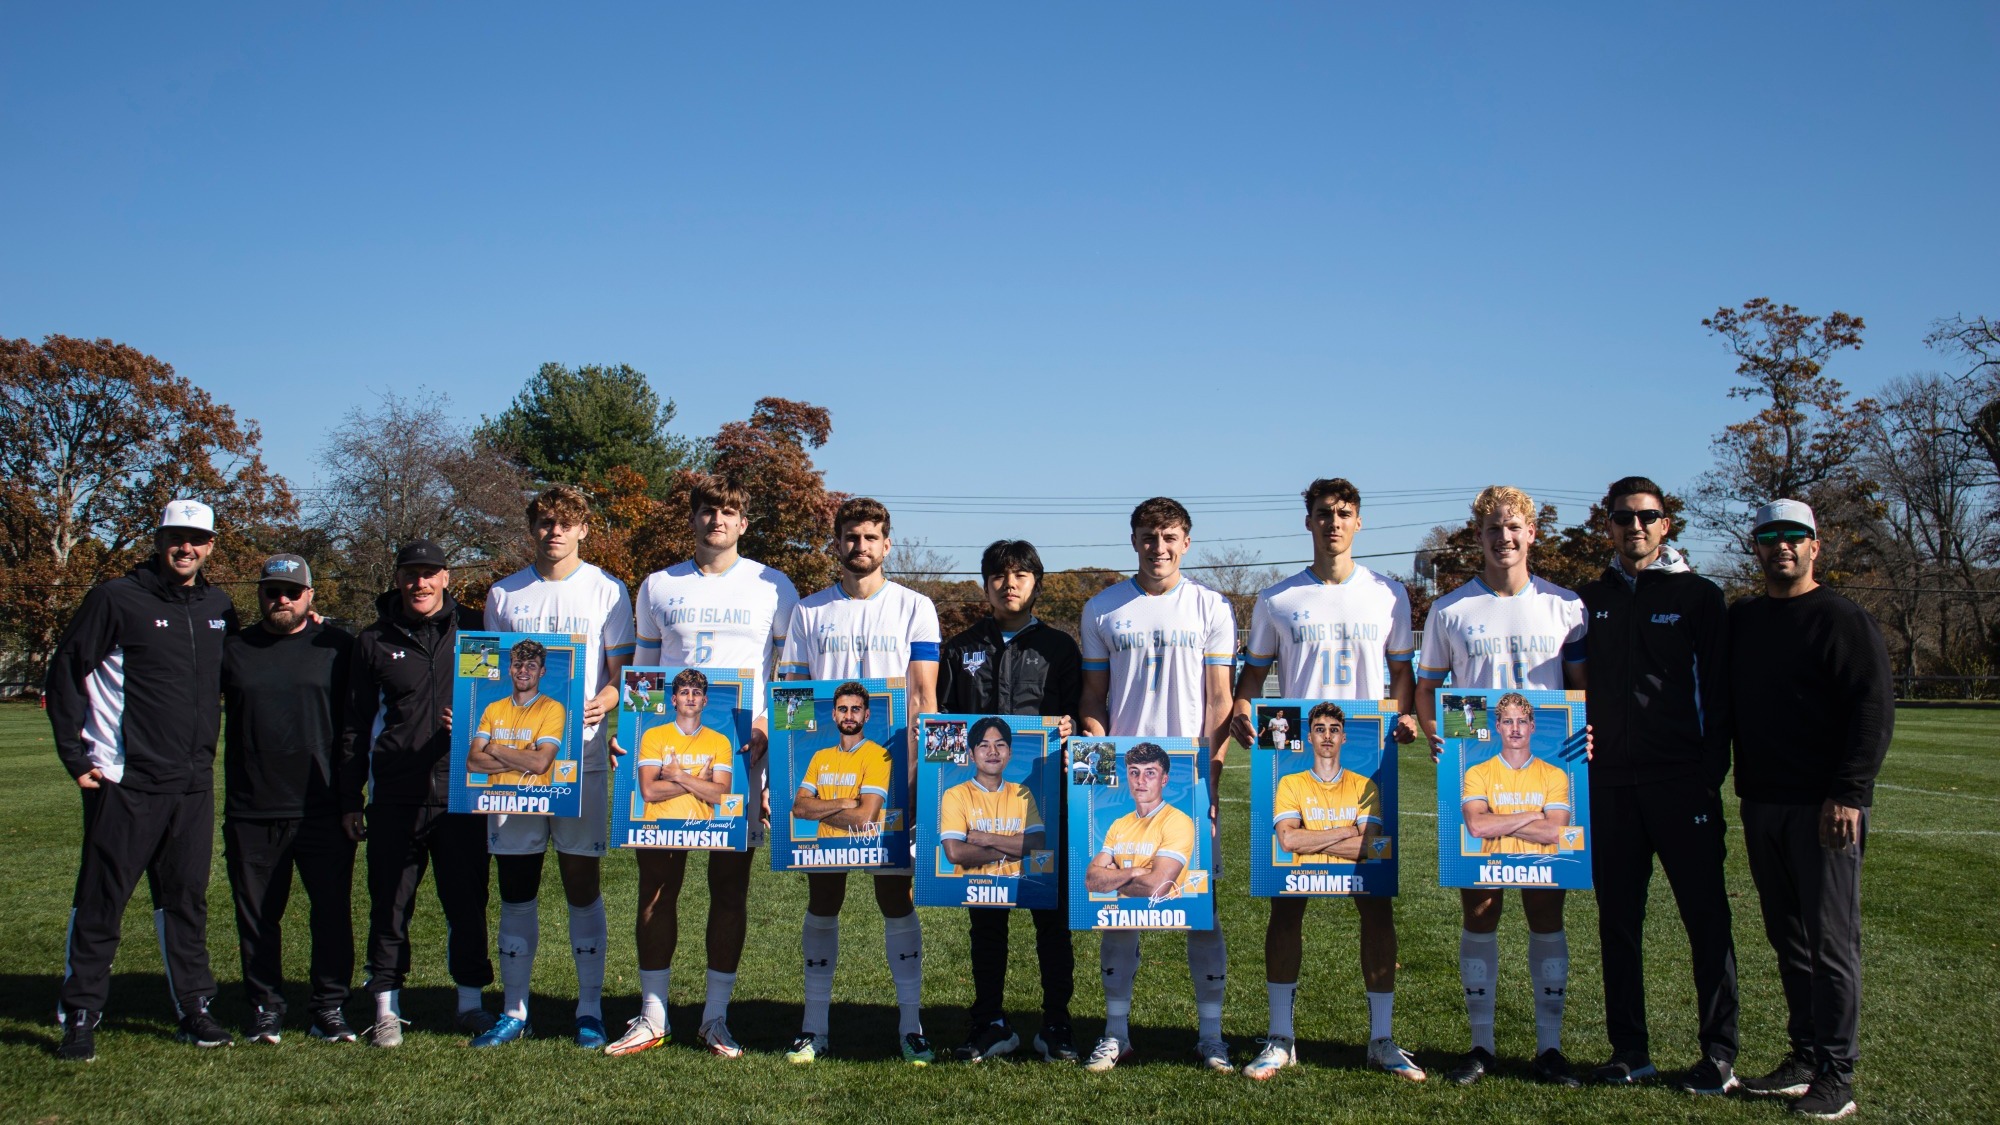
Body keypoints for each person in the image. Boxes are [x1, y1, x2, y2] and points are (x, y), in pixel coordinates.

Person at [1228, 477, 1424, 1083]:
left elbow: (1402, 675)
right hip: (1296, 764)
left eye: (1343, 513)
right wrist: (1240, 707)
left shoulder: (1389, 595)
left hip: (1366, 765)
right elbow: (1253, 678)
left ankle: (1383, 1039)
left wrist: (1408, 710)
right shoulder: (1278, 598)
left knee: (1376, 905)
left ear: (1358, 522)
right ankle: (1280, 1036)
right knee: (1287, 905)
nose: (1332, 522)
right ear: (1307, 522)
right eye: (1322, 513)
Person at [613, 474, 798, 1059]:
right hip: (667, 752)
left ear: (744, 522)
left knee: (729, 888)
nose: (717, 519)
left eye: (729, 511)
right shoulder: (658, 585)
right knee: (656, 886)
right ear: (692, 518)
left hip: (741, 753)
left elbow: (786, 675)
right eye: (708, 510)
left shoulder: (773, 585)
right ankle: (652, 1014)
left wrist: (768, 728)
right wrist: (628, 733)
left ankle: (715, 1018)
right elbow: (643, 672)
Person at [49, 500, 241, 1061]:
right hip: (125, 781)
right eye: (177, 537)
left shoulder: (218, 605)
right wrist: (75, 756)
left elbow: (240, 668)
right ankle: (80, 1013)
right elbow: (65, 672)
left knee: (186, 900)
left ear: (210, 545)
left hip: (193, 783)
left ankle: (194, 1008)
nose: (187, 547)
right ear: (160, 539)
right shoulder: (114, 598)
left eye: (198, 539)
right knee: (102, 899)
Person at [1414, 485, 1589, 1087]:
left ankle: (1549, 1048)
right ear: (1478, 535)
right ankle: (1481, 1045)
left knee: (1545, 907)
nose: (1504, 537)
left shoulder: (1567, 606)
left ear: (1532, 533)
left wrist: (1586, 735)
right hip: (1478, 775)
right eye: (1493, 528)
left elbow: (1582, 694)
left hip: (1547, 778)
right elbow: (1428, 689)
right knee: (1481, 907)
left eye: (1514, 527)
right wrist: (1437, 733)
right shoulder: (1451, 610)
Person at [1728, 499, 1892, 1121]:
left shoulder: (1842, 618)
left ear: (1816, 546)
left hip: (1826, 807)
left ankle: (1837, 1074)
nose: (1782, 547)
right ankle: (1804, 1056)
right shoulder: (1745, 619)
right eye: (1770, 537)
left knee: (1831, 942)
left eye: (1795, 537)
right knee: (1787, 936)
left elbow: (1872, 710)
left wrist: (1850, 792)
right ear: (1758, 548)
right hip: (1762, 799)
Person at [1578, 475, 1739, 1093]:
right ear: (1609, 525)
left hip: (1681, 783)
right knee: (1618, 922)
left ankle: (1719, 1054)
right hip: (1611, 786)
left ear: (1666, 523)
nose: (1635, 527)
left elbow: (1719, 695)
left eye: (1647, 516)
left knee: (1706, 919)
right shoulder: (1587, 599)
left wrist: (1707, 775)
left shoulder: (1701, 596)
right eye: (1623, 517)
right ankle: (1630, 1051)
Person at [777, 497, 941, 1065]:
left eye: (871, 537)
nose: (860, 546)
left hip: (893, 773)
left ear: (887, 543)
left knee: (896, 897)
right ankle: (813, 1027)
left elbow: (924, 700)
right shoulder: (809, 611)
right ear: (836, 541)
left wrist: (918, 783)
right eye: (851, 536)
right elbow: (794, 704)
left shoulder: (915, 607)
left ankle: (912, 1026)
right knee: (824, 895)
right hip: (827, 770)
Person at [1078, 497, 1235, 1074]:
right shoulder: (1103, 608)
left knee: (1203, 909)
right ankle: (1116, 1032)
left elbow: (1218, 701)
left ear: (1187, 542)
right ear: (1134, 539)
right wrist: (1097, 740)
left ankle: (1211, 1035)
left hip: (1187, 779)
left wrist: (1208, 780)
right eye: (1148, 535)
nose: (1159, 547)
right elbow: (1093, 698)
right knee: (1115, 909)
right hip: (1123, 780)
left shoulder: (1211, 607)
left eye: (1170, 536)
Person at [476, 485, 635, 1050]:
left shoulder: (608, 591)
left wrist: (604, 701)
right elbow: (489, 678)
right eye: (544, 522)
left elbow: (622, 677)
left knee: (581, 886)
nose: (555, 532)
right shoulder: (504, 594)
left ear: (585, 529)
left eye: (565, 523)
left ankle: (588, 1008)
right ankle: (514, 1010)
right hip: (510, 772)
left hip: (581, 760)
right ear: (531, 528)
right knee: (516, 885)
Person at [343, 539, 495, 1047]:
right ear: (398, 578)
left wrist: (476, 725)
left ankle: (470, 1003)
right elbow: (354, 726)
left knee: (467, 904)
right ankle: (386, 1007)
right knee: (390, 905)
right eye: (411, 573)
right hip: (396, 794)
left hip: (463, 793)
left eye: (430, 573)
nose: (420, 583)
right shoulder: (372, 640)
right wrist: (350, 796)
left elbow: (510, 704)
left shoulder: (478, 631)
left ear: (447, 578)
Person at [936, 539, 1082, 1063]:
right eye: (999, 574)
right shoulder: (959, 647)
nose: (1010, 582)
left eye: (1021, 574)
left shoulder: (1061, 648)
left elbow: (1083, 719)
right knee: (986, 915)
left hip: (1042, 800)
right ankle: (989, 1022)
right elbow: (945, 728)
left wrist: (1071, 726)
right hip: (979, 802)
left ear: (1036, 582)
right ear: (986, 583)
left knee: (1051, 916)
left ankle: (1057, 1024)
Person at [220, 554, 360, 1045]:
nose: (281, 599)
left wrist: (350, 800)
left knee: (330, 913)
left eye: (292, 591)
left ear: (310, 596)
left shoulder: (338, 646)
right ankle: (264, 1006)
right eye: (271, 591)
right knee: (258, 917)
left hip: (322, 807)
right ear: (259, 594)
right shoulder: (233, 648)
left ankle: (329, 1006)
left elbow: (353, 728)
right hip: (251, 807)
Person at [1462, 694, 1571, 856]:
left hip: (1544, 873)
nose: (1515, 729)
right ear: (1498, 726)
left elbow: (1555, 832)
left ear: (1532, 727)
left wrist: (1495, 823)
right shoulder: (1477, 773)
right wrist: (1533, 816)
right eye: (1507, 721)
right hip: (1493, 872)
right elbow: (1477, 827)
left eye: (1521, 721)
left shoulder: (1554, 774)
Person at [633, 669, 734, 821]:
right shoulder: (653, 735)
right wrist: (699, 781)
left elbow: (722, 796)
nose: (691, 698)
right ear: (674, 700)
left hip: (703, 833)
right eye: (684, 692)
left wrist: (678, 775)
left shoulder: (720, 741)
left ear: (704, 701)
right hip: (656, 832)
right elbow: (648, 791)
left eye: (697, 693)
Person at [465, 639, 568, 787]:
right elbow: (472, 763)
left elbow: (540, 764)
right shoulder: (493, 708)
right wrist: (523, 757)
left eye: (531, 666)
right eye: (518, 664)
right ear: (510, 669)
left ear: (542, 671)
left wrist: (493, 748)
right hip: (495, 801)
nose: (523, 670)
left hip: (535, 800)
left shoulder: (552, 708)